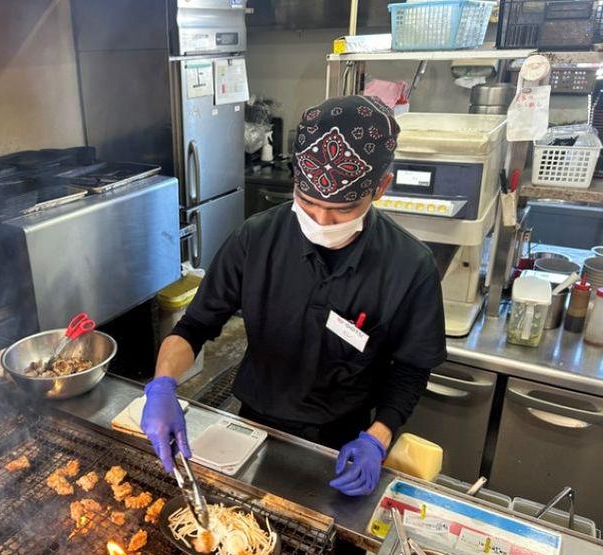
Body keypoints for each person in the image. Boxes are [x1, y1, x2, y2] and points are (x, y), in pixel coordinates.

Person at [141, 95, 446, 498]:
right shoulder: (255, 239)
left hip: (344, 440)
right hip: (254, 424)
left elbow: (410, 370)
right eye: (308, 202)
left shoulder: (410, 266)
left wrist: (378, 437)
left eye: (342, 210)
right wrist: (163, 385)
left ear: (381, 188)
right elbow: (195, 326)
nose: (321, 221)